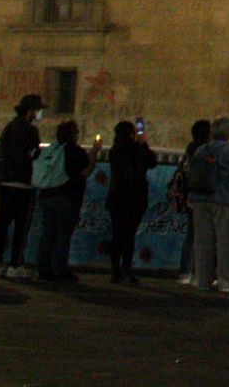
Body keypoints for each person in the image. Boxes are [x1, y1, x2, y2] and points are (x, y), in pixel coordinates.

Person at [189, 117, 229, 294]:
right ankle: (225, 282)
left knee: (203, 241)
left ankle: (203, 280)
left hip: (200, 198)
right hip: (223, 199)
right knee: (225, 242)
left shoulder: (201, 150)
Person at [0, 94, 43, 279]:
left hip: (6, 181)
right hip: (22, 183)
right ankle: (15, 264)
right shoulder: (30, 130)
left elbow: (1, 151)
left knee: (2, 225)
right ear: (30, 111)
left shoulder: (8, 128)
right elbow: (33, 153)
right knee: (21, 227)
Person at [34, 120, 94, 283]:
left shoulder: (50, 150)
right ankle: (59, 269)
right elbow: (85, 172)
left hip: (46, 195)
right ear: (73, 135)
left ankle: (43, 269)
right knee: (62, 236)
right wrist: (94, 152)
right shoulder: (75, 151)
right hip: (67, 197)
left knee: (48, 234)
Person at [104, 120, 156, 284]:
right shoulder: (135, 149)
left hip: (116, 196)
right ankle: (126, 270)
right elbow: (151, 161)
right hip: (133, 197)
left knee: (117, 234)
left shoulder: (115, 149)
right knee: (128, 235)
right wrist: (144, 144)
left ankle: (115, 270)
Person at [171, 118, 211, 285]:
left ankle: (186, 271)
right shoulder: (203, 153)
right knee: (198, 236)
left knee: (192, 235)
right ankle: (192, 271)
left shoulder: (190, 150)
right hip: (200, 198)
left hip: (190, 199)